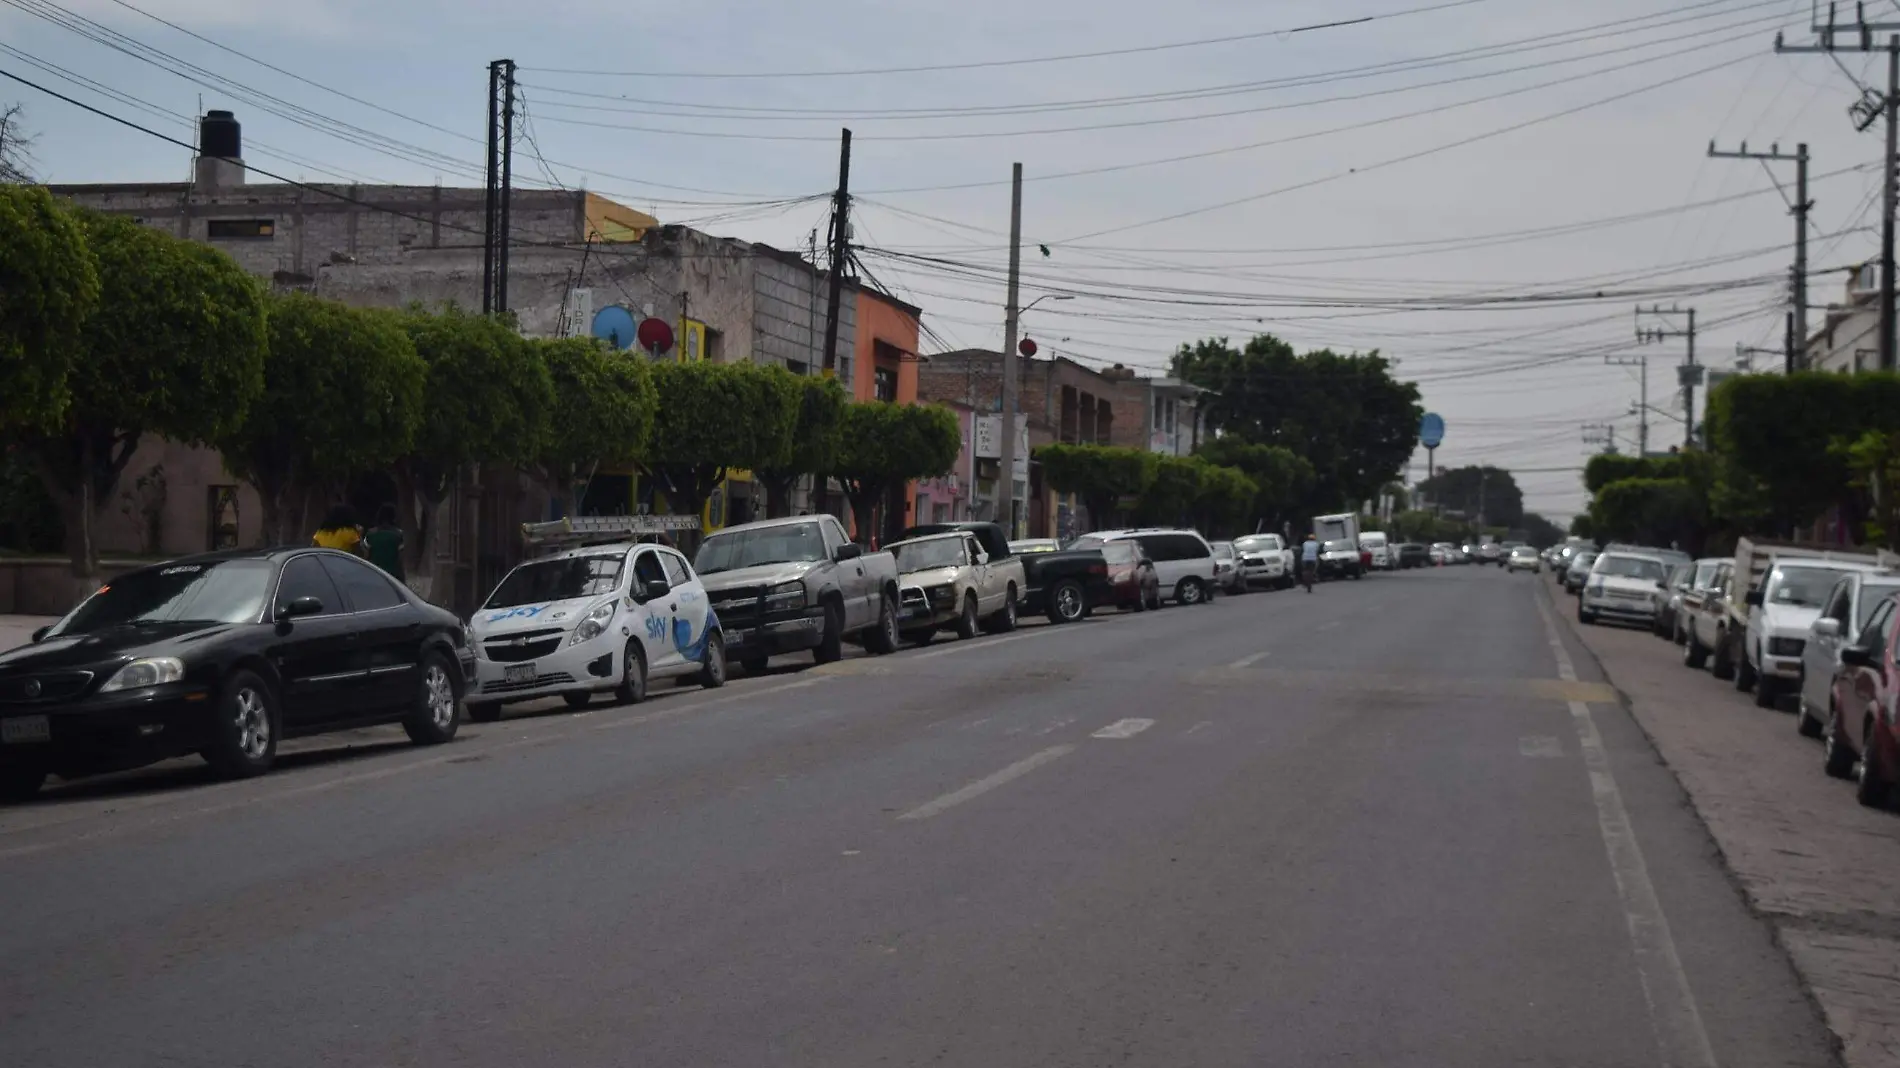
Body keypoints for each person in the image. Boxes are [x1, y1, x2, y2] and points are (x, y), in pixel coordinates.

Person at [362, 504, 405, 581]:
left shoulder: (370, 534)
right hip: (392, 574)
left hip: (374, 572)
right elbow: (400, 558)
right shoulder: (399, 534)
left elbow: (366, 556)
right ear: (393, 517)